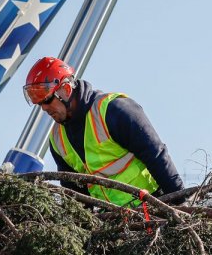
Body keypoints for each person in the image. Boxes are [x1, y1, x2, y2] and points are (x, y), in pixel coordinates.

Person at [22, 56, 184, 206]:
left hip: (154, 205)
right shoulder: (57, 140)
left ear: (66, 89)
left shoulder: (115, 110)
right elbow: (76, 195)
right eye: (39, 104)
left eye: (47, 99)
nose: (43, 108)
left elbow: (156, 156)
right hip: (114, 222)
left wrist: (180, 205)